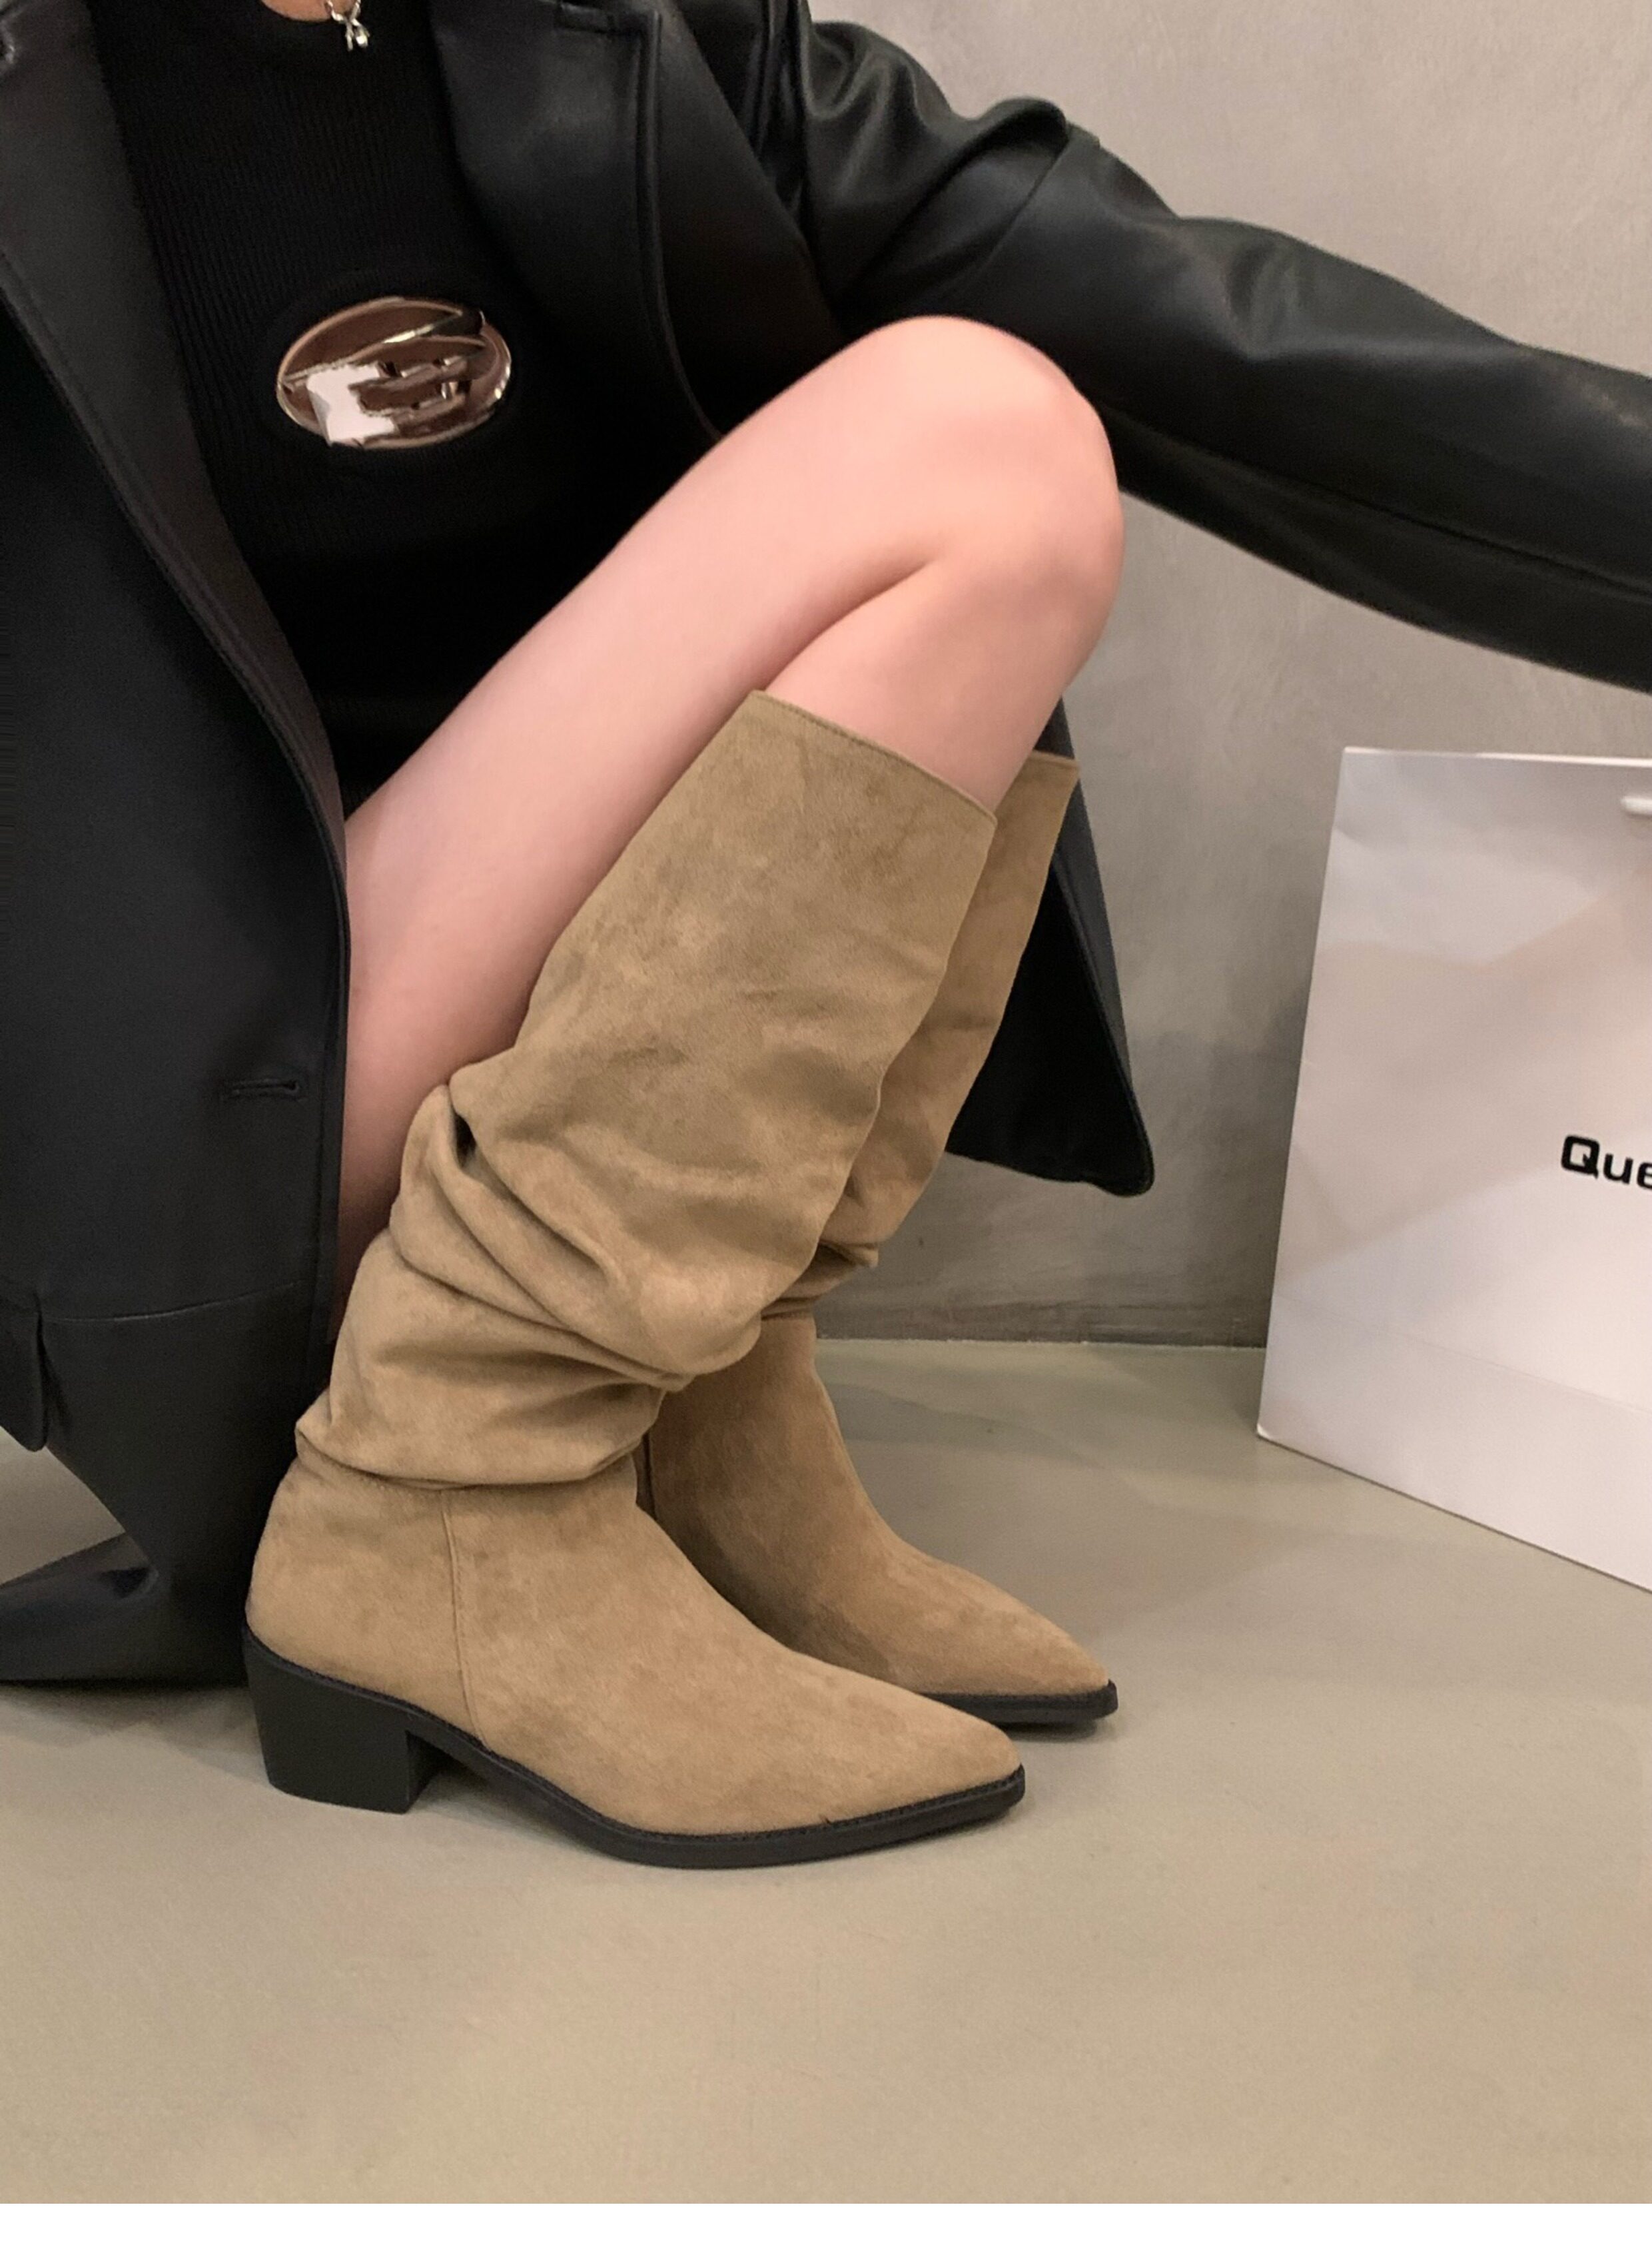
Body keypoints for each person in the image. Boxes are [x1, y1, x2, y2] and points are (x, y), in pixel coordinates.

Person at [2, 0, 1649, 1861]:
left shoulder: (632, 45)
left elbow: (1226, 347)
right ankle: (450, 1489)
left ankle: (695, 1416)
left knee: (1005, 460)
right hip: (200, 1107)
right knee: (972, 438)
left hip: (442, 1050)